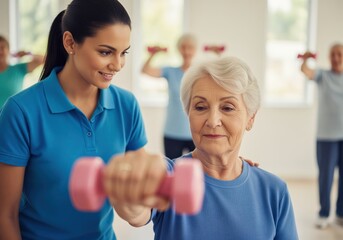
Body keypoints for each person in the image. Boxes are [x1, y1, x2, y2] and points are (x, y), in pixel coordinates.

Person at [0, 0, 169, 239]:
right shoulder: (21, 111)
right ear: (70, 42)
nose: (118, 64)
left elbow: (143, 188)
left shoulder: (126, 105)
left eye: (124, 53)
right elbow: (4, 214)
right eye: (105, 51)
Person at [107, 56, 298, 239]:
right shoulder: (169, 175)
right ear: (188, 113)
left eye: (227, 107)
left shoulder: (274, 191)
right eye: (200, 107)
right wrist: (128, 194)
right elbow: (136, 212)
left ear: (251, 118)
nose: (213, 121)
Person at [300, 43, 343, 229]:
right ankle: (324, 213)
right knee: (325, 176)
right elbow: (305, 70)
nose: (336, 57)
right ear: (329, 56)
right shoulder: (323, 76)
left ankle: (341, 214)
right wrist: (305, 58)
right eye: (333, 54)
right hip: (326, 136)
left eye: (340, 54)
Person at [141, 34, 197, 159]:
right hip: (172, 132)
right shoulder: (170, 71)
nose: (187, 51)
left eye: (190, 47)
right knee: (172, 171)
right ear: (179, 49)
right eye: (183, 47)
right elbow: (145, 70)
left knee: (198, 172)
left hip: (195, 133)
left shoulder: (199, 73)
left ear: (195, 50)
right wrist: (153, 54)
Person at [0, 35, 44, 107]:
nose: (0, 51)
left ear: (8, 50)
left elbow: (43, 60)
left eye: (2, 48)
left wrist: (27, 54)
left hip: (13, 116)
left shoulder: (18, 69)